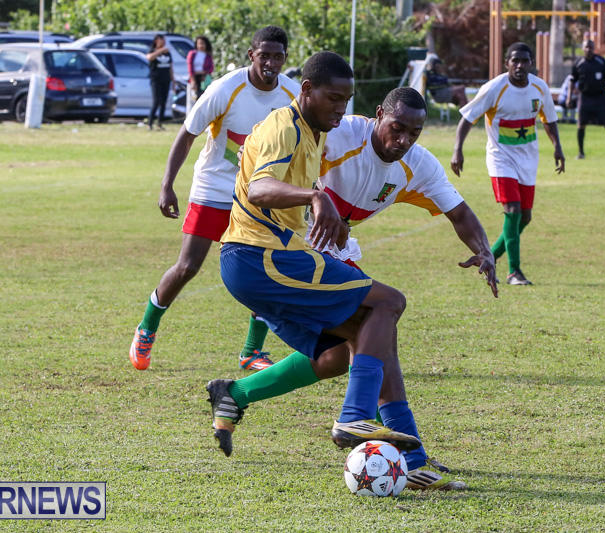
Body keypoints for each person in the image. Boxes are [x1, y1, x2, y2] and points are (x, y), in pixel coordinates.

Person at [207, 52, 483, 492]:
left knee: (346, 349)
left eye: (345, 100)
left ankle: (236, 394)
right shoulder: (299, 128)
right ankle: (358, 421)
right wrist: (316, 198)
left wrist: (484, 251)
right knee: (387, 305)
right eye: (334, 99)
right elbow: (259, 187)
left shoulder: (317, 131)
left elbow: (460, 211)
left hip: (279, 256)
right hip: (263, 256)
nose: (340, 109)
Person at [129, 26, 300, 371]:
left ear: (285, 58)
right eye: (264, 55)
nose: (270, 62)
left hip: (258, 194)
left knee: (267, 270)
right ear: (251, 55)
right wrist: (167, 185)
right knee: (188, 267)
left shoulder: (292, 94)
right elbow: (187, 134)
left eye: (277, 56)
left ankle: (251, 351)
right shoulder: (225, 88)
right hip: (215, 188)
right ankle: (146, 328)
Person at [451, 42, 565, 286]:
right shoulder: (495, 88)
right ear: (507, 64)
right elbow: (468, 118)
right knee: (512, 210)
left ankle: (489, 257)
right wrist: (457, 150)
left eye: (525, 61)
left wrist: (558, 146)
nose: (520, 65)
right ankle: (515, 272)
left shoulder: (539, 87)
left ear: (531, 63)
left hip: (528, 159)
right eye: (515, 61)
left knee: (525, 217)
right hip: (500, 158)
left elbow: (549, 119)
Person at [570, 40, 605, 160]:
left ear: (594, 48)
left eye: (590, 47)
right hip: (584, 97)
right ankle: (581, 152)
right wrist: (569, 97)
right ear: (583, 48)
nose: (588, 49)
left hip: (601, 97)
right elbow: (572, 81)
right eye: (586, 47)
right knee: (581, 124)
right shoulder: (578, 63)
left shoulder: (601, 61)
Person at [146, 34, 174, 131]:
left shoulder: (167, 53)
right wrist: (161, 51)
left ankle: (160, 123)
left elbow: (170, 67)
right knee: (156, 101)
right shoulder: (152, 51)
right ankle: (150, 123)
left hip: (166, 80)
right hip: (156, 80)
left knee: (163, 102)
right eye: (161, 39)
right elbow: (149, 57)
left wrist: (173, 80)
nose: (163, 42)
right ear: (156, 40)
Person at [187, 35, 215, 101]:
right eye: (199, 44)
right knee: (193, 98)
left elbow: (211, 68)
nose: (201, 46)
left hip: (204, 79)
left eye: (203, 43)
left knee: (203, 98)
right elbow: (190, 67)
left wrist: (204, 73)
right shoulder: (192, 54)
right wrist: (193, 81)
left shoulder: (208, 55)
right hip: (194, 77)